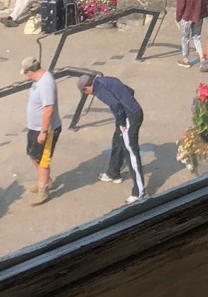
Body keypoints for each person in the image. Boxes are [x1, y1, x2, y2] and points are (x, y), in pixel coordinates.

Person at [77, 72, 146, 203]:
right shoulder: (107, 80)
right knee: (118, 140)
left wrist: (122, 122)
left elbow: (115, 105)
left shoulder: (99, 89)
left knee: (131, 152)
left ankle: (139, 191)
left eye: (85, 92)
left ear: (86, 88)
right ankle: (113, 172)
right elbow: (130, 91)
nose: (88, 94)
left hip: (130, 117)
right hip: (131, 112)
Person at [21, 55, 62, 205]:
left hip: (46, 130)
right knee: (33, 154)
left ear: (30, 71)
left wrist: (43, 132)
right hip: (34, 128)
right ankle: (45, 180)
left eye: (26, 73)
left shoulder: (45, 83)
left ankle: (43, 191)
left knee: (43, 160)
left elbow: (48, 109)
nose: (26, 76)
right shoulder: (38, 81)